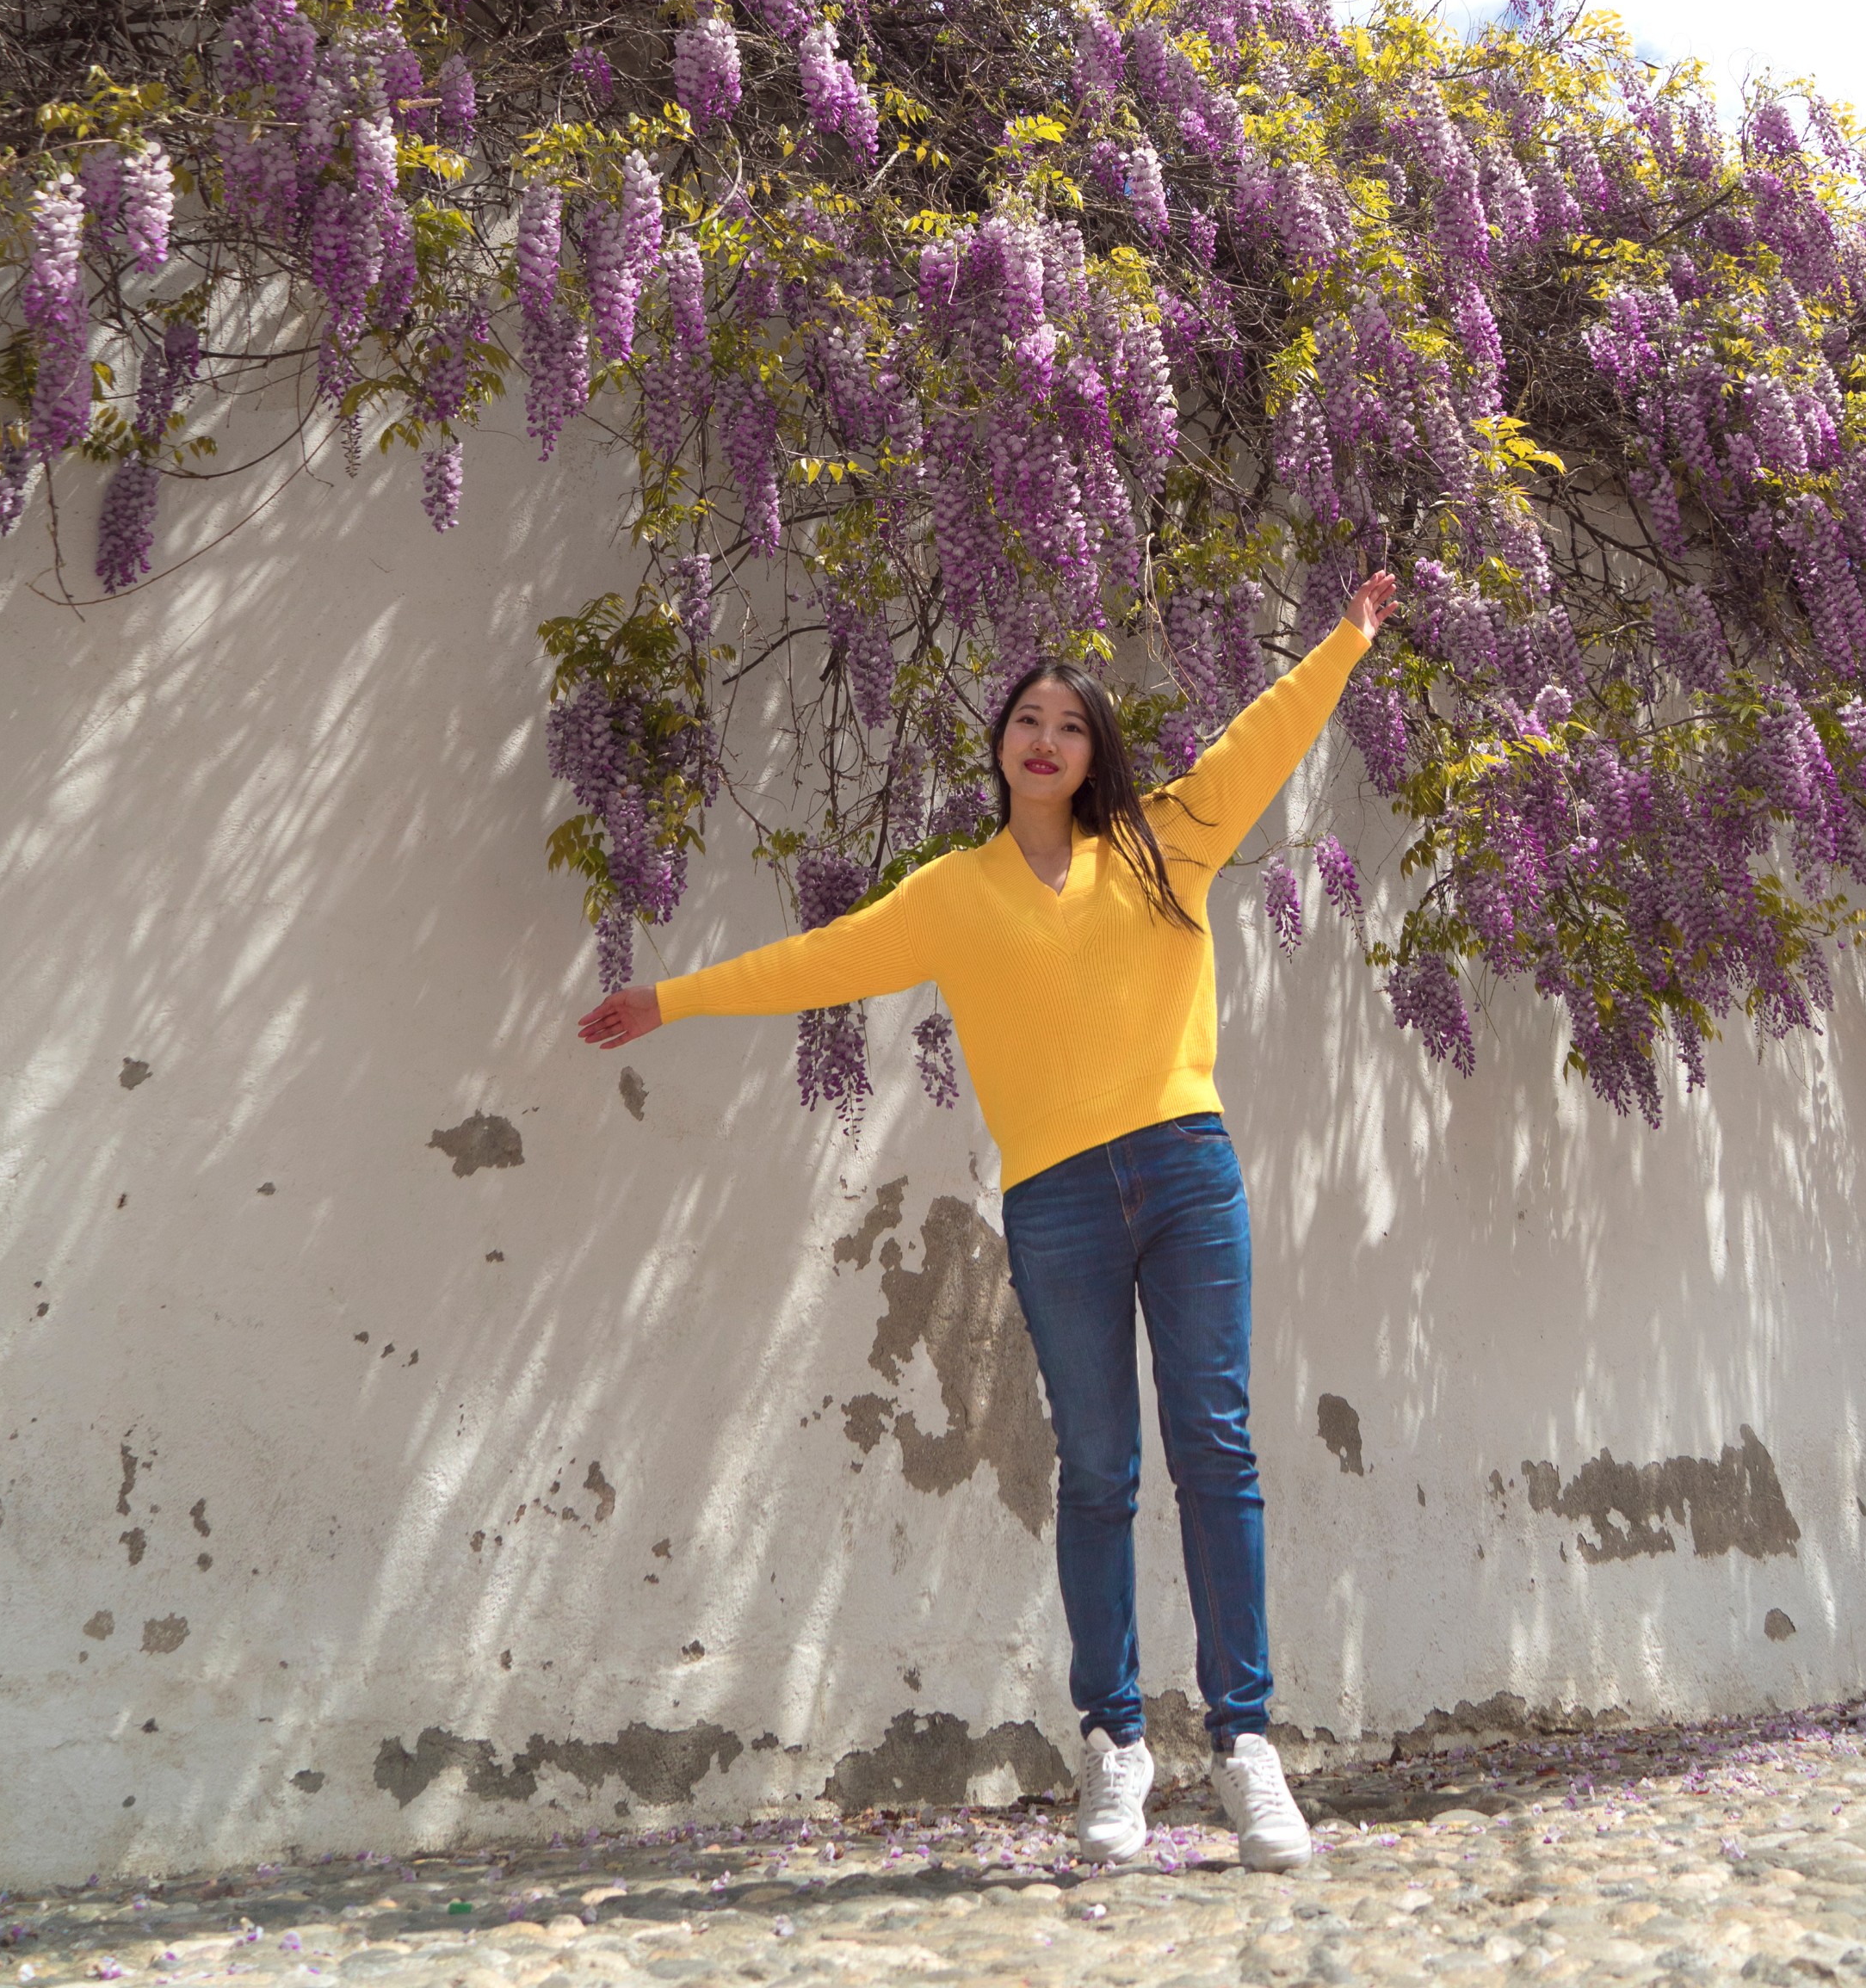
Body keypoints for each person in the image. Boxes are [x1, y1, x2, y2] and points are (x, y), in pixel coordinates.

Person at [578, 569, 1397, 1873]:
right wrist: (669, 1001)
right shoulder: (954, 891)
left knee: (1216, 1450)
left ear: (1093, 753)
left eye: (1071, 725)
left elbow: (1260, 742)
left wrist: (1345, 643)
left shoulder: (1164, 841)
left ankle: (1245, 1747)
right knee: (1099, 1471)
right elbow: (824, 960)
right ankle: (1116, 1747)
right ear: (1001, 745)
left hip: (1188, 1174)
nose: (1046, 738)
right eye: (1028, 719)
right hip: (1058, 1199)